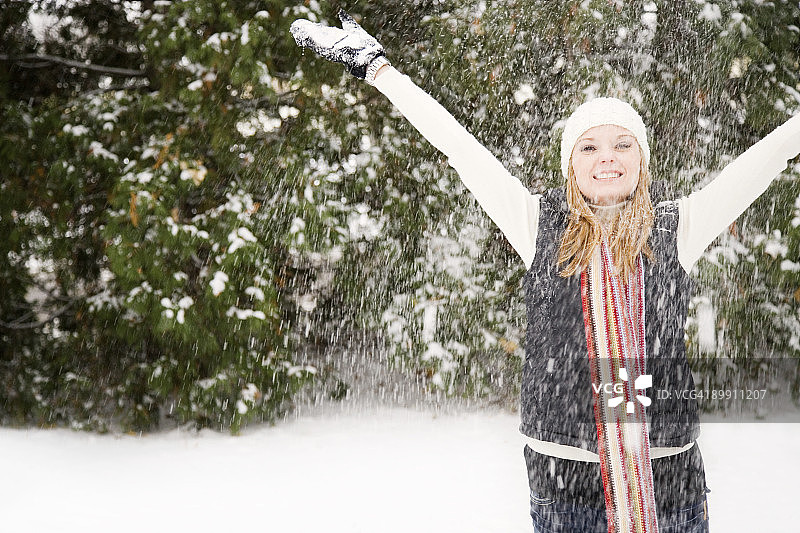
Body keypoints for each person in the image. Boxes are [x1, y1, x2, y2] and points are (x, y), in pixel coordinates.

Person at [290, 10, 800, 533]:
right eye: (590, 146)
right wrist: (380, 72)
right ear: (570, 164)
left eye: (623, 144)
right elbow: (460, 149)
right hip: (566, 493)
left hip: (668, 489)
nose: (608, 158)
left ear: (642, 161)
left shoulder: (677, 227)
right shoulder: (537, 224)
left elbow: (767, 159)